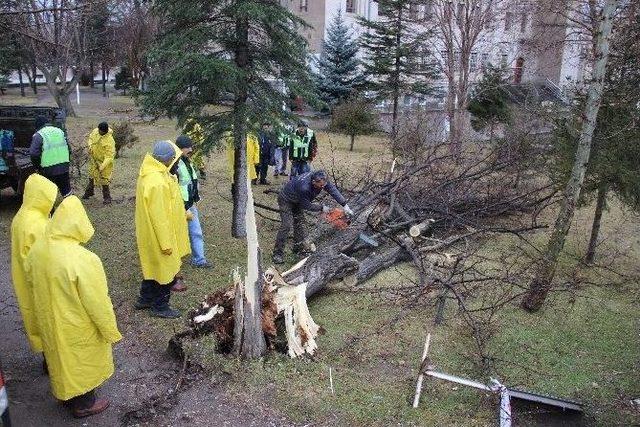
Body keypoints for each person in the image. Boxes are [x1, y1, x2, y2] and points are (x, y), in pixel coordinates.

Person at [24, 196, 122, 418]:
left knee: (59, 358)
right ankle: (84, 403)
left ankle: (65, 394)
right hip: (76, 324)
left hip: (49, 319)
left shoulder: (37, 250)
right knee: (81, 360)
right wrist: (110, 331)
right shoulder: (83, 259)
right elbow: (98, 303)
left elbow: (31, 283)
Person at [134, 141, 190, 318]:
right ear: (167, 159)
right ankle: (160, 306)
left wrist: (182, 214)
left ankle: (145, 299)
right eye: (173, 158)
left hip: (151, 233)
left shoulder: (153, 174)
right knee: (166, 270)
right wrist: (166, 243)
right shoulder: (156, 182)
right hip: (160, 234)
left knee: (153, 266)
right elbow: (159, 217)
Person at [10, 174, 58, 360]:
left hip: (25, 278)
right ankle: (52, 361)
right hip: (39, 282)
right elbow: (46, 257)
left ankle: (48, 356)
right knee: (48, 320)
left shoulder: (22, 215)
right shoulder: (36, 224)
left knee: (37, 318)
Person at [272, 170, 354, 264]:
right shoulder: (304, 188)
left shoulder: (322, 179)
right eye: (321, 186)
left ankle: (298, 248)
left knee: (300, 223)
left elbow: (332, 190)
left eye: (324, 185)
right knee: (286, 225)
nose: (323, 187)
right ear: (313, 182)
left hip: (298, 200)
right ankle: (277, 254)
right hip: (286, 199)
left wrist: (345, 205)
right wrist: (321, 208)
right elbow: (306, 205)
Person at [175, 135, 211, 269]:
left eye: (191, 147)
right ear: (179, 149)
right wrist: (182, 206)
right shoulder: (174, 165)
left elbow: (191, 181)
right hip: (179, 206)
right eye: (187, 148)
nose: (190, 150)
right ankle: (174, 262)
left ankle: (199, 260)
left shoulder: (187, 161)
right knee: (176, 234)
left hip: (190, 205)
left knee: (196, 231)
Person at [29, 115, 71, 197]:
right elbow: (69, 149)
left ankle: (50, 209)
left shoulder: (38, 135)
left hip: (49, 169)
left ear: (38, 126)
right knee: (66, 190)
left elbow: (34, 154)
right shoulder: (59, 131)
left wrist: (37, 167)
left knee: (48, 192)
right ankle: (71, 207)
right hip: (64, 165)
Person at [82, 122, 116, 204]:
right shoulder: (95, 131)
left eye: (102, 132)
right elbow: (90, 138)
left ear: (106, 131)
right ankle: (89, 192)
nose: (100, 133)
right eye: (99, 131)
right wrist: (90, 146)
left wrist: (102, 166)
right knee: (92, 176)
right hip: (94, 160)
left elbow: (109, 157)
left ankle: (107, 198)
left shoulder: (110, 141)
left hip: (104, 163)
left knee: (104, 180)